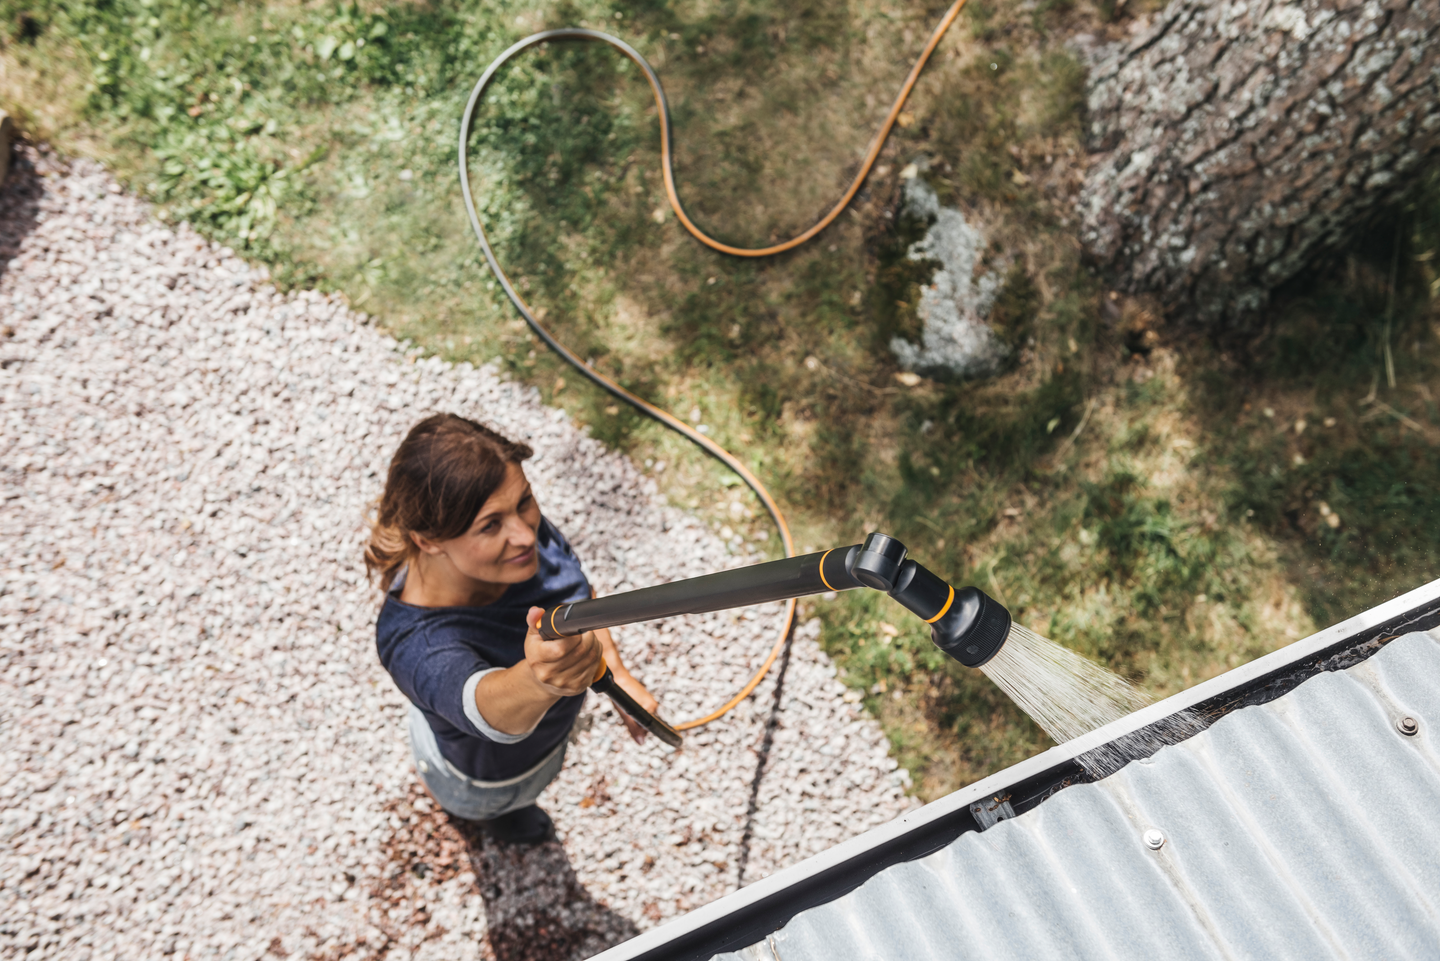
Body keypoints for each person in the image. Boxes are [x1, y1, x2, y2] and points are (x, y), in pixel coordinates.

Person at [365, 413, 660, 844]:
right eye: (490, 525)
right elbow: (483, 705)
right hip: (488, 781)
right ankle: (495, 818)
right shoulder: (415, 643)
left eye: (524, 501)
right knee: (498, 807)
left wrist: (618, 674)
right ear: (427, 541)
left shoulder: (517, 543)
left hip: (544, 736)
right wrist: (541, 677)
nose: (524, 534)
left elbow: (576, 595)